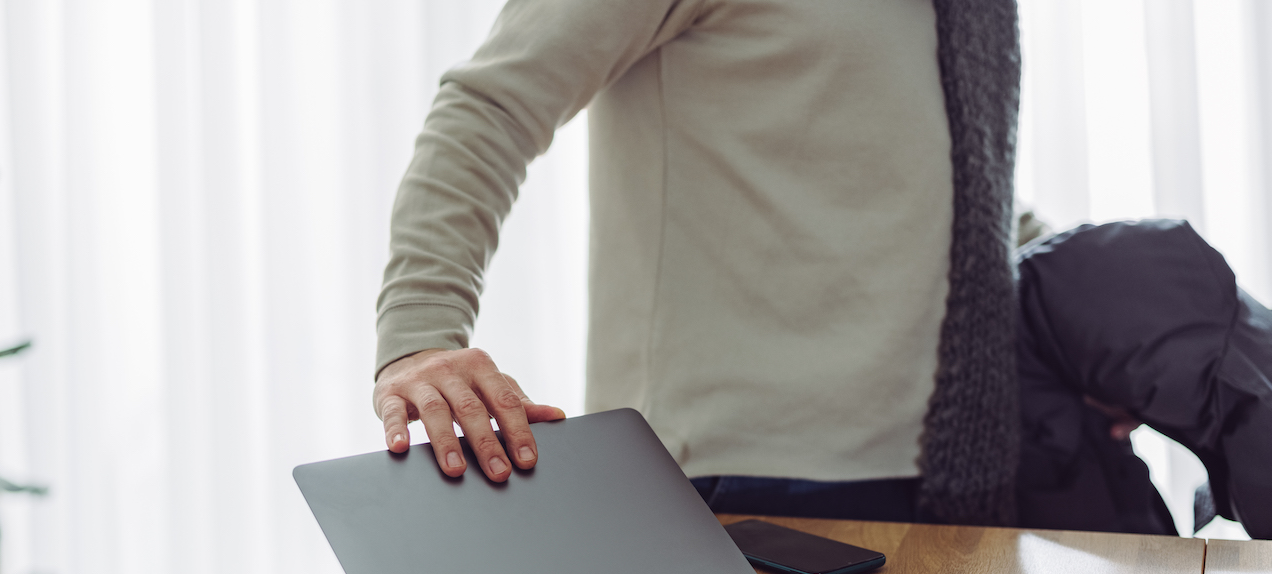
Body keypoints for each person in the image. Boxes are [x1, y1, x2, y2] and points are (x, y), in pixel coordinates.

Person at [373, 0, 1021, 526]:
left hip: (950, 466)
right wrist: (421, 334)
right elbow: (492, 108)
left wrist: (1090, 332)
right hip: (732, 479)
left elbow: (964, 194)